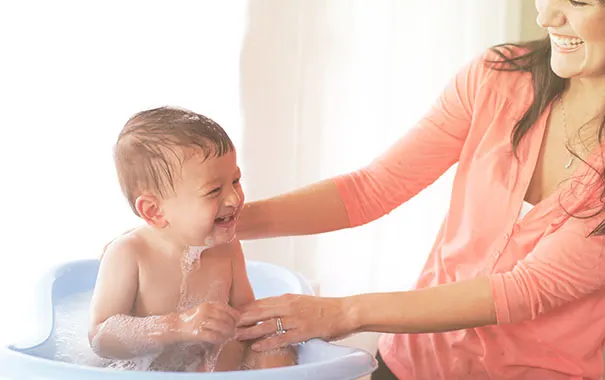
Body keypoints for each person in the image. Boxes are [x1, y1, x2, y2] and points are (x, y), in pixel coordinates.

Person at [233, 1, 605, 379]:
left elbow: (524, 290)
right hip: (416, 362)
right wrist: (227, 221)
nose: (545, 18)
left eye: (578, 1)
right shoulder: (498, 78)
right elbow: (372, 188)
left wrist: (342, 313)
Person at [89, 106, 296, 372]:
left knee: (275, 351)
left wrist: (272, 332)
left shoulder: (227, 247)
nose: (234, 198)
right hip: (146, 371)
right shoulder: (129, 253)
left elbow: (245, 314)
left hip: (203, 368)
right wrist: (177, 326)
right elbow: (101, 336)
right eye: (213, 191)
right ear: (154, 211)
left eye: (235, 180)